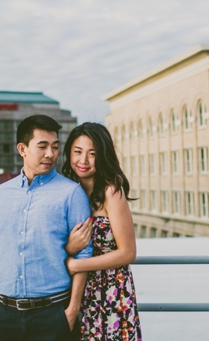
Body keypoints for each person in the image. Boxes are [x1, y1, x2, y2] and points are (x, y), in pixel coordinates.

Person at [0, 114, 93, 341]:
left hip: (53, 315)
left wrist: (71, 311)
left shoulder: (72, 193)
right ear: (22, 149)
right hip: (4, 316)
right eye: (42, 146)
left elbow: (85, 254)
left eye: (54, 146)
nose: (50, 154)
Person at [61, 122, 142, 341]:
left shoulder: (111, 191)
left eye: (92, 154)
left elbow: (128, 253)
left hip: (110, 291)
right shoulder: (65, 190)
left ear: (103, 156)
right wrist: (69, 248)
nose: (83, 161)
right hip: (74, 291)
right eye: (77, 152)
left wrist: (77, 264)